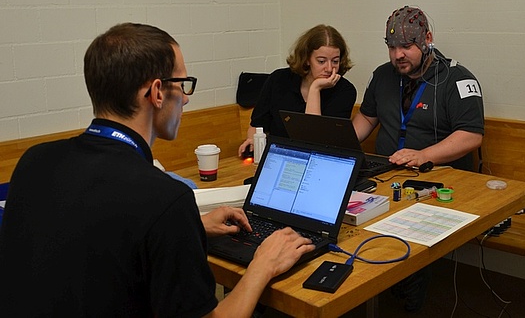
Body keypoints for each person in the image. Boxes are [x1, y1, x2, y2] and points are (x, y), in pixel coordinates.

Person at [0, 23, 314, 318]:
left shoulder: (34, 161)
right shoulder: (165, 198)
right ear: (157, 92)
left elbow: (91, 231)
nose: (187, 99)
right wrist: (263, 265)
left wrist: (189, 227)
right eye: (184, 85)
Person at [352, 5, 484, 311]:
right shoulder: (383, 76)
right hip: (386, 177)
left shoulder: (457, 78)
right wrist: (335, 141)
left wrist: (423, 155)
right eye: (392, 47)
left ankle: (407, 303)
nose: (398, 54)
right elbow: (366, 121)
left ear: (427, 39)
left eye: (407, 46)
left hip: (435, 184)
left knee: (408, 237)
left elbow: (471, 136)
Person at [238, 24, 356, 156]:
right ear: (306, 59)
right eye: (321, 61)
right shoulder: (278, 79)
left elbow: (313, 142)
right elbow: (257, 125)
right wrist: (252, 140)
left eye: (335, 61)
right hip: (278, 156)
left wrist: (315, 89)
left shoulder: (345, 91)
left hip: (318, 161)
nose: (329, 68)